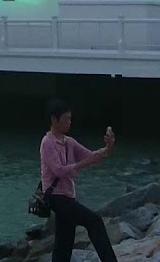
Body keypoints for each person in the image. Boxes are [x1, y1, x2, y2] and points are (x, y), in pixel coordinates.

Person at [39, 99, 117, 262]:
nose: (69, 122)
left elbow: (91, 156)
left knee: (64, 241)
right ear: (54, 119)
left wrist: (108, 147)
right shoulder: (47, 143)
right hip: (55, 196)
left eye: (70, 118)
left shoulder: (69, 142)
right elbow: (59, 170)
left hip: (68, 195)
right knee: (94, 221)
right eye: (66, 118)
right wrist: (82, 164)